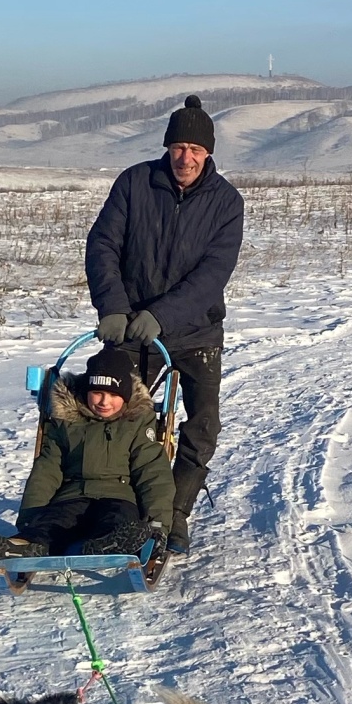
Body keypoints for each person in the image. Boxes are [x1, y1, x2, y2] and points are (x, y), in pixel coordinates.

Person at [84, 93, 244, 555]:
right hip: (132, 329)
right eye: (178, 148)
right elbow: (103, 246)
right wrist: (113, 307)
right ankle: (110, 507)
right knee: (116, 416)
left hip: (197, 332)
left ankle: (174, 513)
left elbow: (213, 275)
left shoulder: (226, 203)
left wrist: (165, 315)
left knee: (203, 426)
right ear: (166, 147)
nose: (185, 158)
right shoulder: (135, 184)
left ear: (209, 153)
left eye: (195, 150)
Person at [0, 344, 174, 563]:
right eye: (97, 393)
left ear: (126, 395)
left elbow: (152, 472)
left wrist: (157, 524)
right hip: (71, 496)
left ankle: (109, 544)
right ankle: (20, 547)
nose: (104, 402)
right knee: (52, 524)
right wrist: (30, 518)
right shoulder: (67, 421)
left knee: (119, 522)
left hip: (119, 496)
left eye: (113, 395)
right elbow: (47, 471)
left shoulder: (137, 421)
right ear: (86, 391)